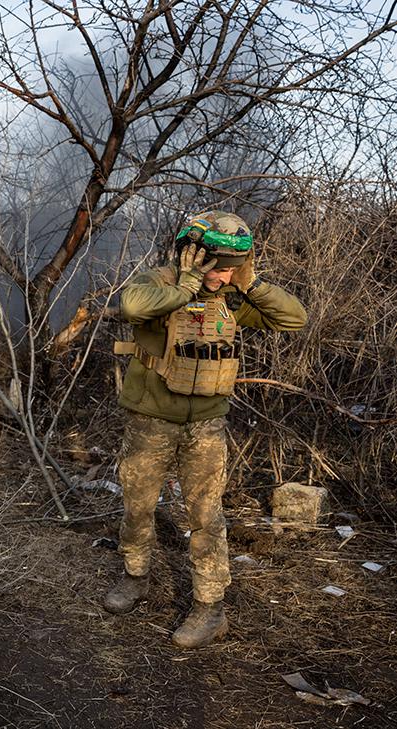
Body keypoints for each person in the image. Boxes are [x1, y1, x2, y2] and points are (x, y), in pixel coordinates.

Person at [106, 211, 307, 648]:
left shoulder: (235, 296)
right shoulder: (161, 282)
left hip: (206, 425)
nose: (224, 274)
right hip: (151, 420)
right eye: (218, 264)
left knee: (205, 517)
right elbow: (133, 306)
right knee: (137, 507)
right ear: (192, 254)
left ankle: (210, 608)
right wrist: (186, 285)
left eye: (233, 265)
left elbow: (294, 318)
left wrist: (248, 283)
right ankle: (135, 576)